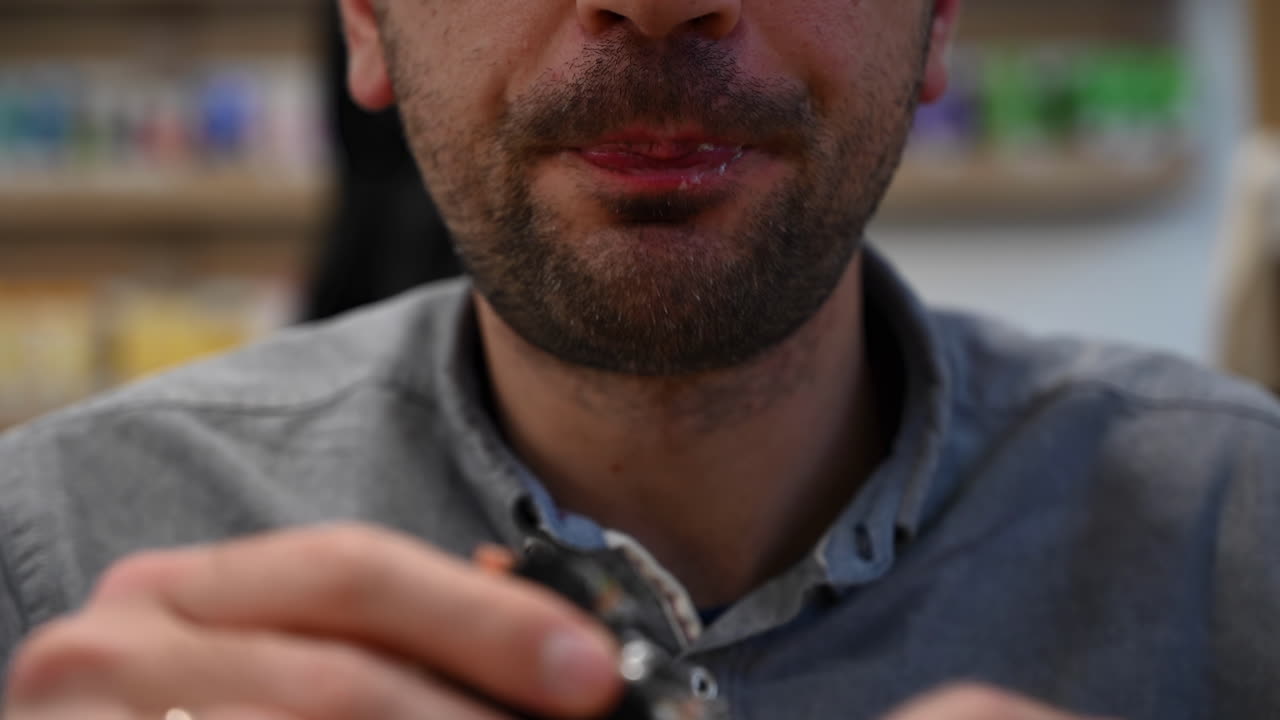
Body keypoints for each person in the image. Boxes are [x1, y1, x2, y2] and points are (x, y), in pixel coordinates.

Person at [1, 0, 1277, 718]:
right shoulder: (51, 555)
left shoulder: (1245, 540)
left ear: (938, 19)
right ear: (365, 24)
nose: (659, 0)